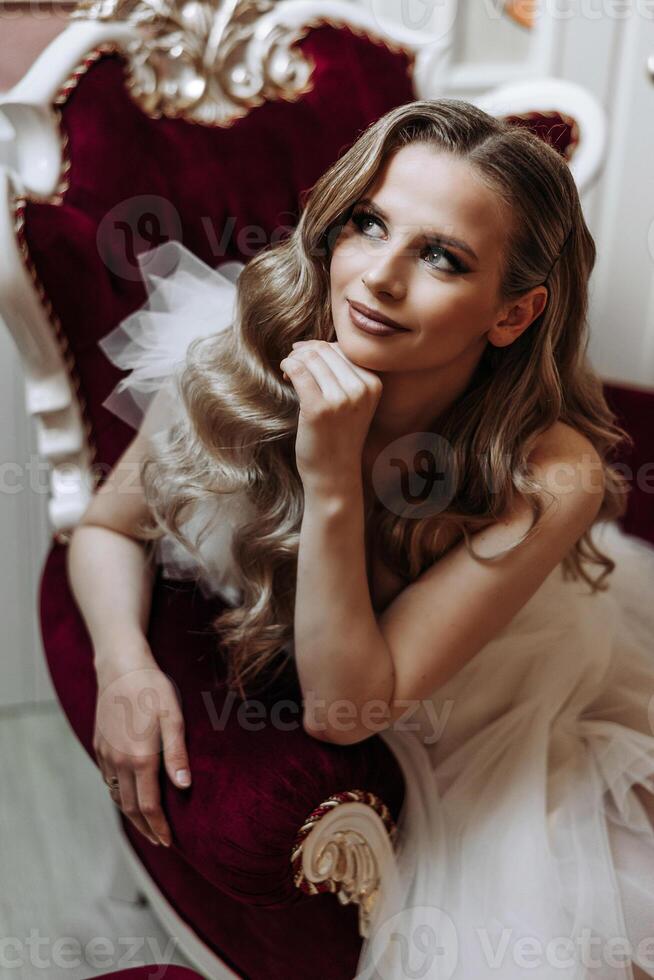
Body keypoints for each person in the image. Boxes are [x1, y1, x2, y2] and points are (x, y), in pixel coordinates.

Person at [66, 98, 654, 978]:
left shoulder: (548, 474)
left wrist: (333, 475)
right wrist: (124, 666)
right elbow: (108, 527)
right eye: (368, 223)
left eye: (443, 257)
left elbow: (344, 709)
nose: (378, 278)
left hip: (503, 706)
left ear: (513, 314)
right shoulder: (236, 355)